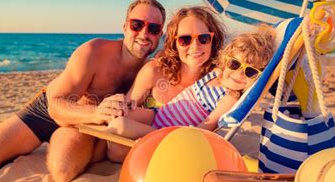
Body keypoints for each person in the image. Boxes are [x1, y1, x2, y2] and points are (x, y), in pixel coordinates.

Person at [0, 0, 166, 182]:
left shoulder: (151, 71)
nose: (144, 34)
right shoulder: (94, 51)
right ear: (124, 27)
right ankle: (60, 139)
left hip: (86, 125)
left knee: (63, 171)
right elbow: (56, 104)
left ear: (160, 35)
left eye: (154, 29)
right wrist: (96, 112)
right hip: (49, 109)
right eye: (137, 25)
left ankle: (63, 140)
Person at [107, 25, 276, 143]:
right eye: (234, 64)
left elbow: (209, 125)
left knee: (119, 124)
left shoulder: (230, 97)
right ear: (224, 60)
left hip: (170, 132)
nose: (239, 74)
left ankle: (143, 137)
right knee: (118, 112)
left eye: (250, 72)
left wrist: (184, 138)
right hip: (157, 114)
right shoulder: (216, 73)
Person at [106, 6, 226, 160]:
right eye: (185, 39)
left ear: (212, 40)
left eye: (203, 38)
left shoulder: (218, 82)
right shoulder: (154, 71)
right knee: (117, 141)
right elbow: (127, 110)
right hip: (145, 144)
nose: (195, 46)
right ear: (174, 43)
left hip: (182, 152)